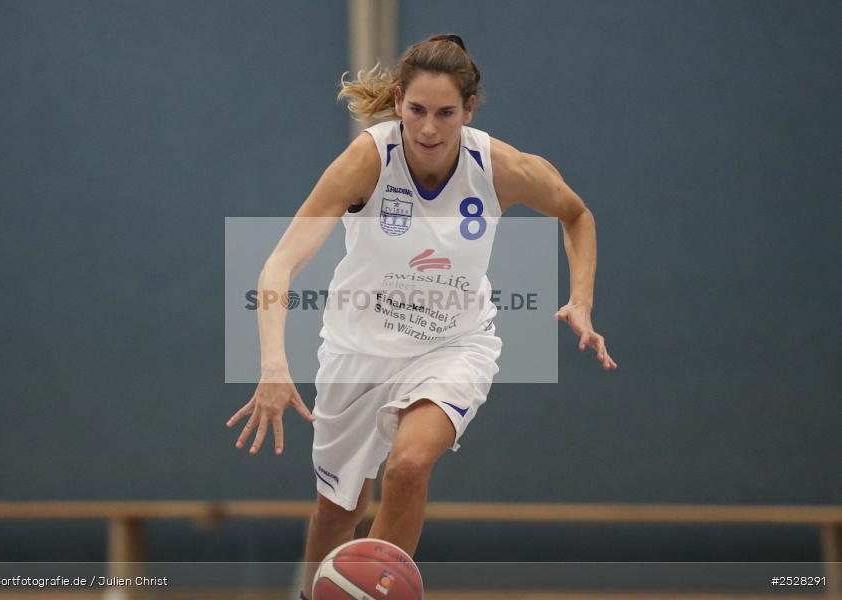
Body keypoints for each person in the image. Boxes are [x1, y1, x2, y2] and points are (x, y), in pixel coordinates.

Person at [226, 33, 617, 600]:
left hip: (454, 345)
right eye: (416, 111)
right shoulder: (368, 159)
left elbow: (576, 213)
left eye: (445, 113)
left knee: (408, 466)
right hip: (357, 349)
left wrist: (581, 299)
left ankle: (374, 592)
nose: (429, 128)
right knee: (337, 514)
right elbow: (279, 265)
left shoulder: (500, 166)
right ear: (398, 102)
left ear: (469, 110)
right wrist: (272, 364)